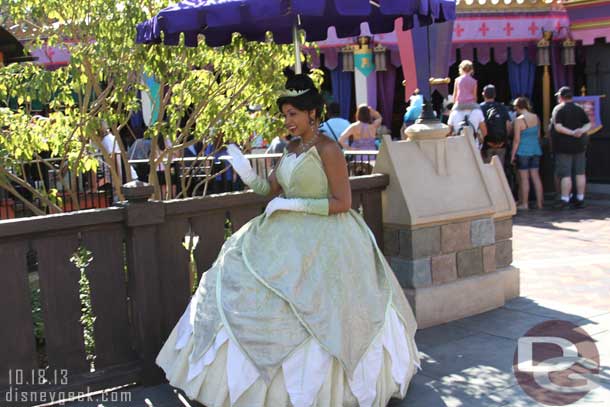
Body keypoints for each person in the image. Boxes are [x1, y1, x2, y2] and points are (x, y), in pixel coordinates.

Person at [156, 73, 420, 407]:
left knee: (323, 310)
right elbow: (270, 190)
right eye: (285, 114)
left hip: (328, 238)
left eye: (293, 113)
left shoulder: (328, 149)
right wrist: (247, 174)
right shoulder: (290, 148)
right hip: (281, 236)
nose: (288, 121)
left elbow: (343, 202)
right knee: (234, 276)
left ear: (312, 113)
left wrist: (295, 204)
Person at [550, 86, 591, 209]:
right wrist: (580, 131)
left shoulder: (559, 109)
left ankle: (565, 199)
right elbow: (588, 123)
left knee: (566, 174)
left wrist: (572, 132)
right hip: (580, 145)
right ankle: (580, 198)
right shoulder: (579, 108)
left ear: (561, 97)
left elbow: (558, 127)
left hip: (564, 146)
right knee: (580, 172)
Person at [510, 97, 544, 210]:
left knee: (524, 179)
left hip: (523, 151)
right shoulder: (536, 117)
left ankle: (525, 204)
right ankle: (540, 203)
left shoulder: (519, 120)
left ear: (518, 107)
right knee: (536, 177)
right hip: (535, 150)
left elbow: (516, 140)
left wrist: (512, 155)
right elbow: (538, 136)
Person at [480, 84, 511, 165]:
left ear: (483, 94)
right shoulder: (502, 107)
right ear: (495, 95)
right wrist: (504, 140)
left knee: (487, 170)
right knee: (500, 170)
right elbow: (508, 126)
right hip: (501, 144)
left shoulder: (479, 108)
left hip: (486, 145)